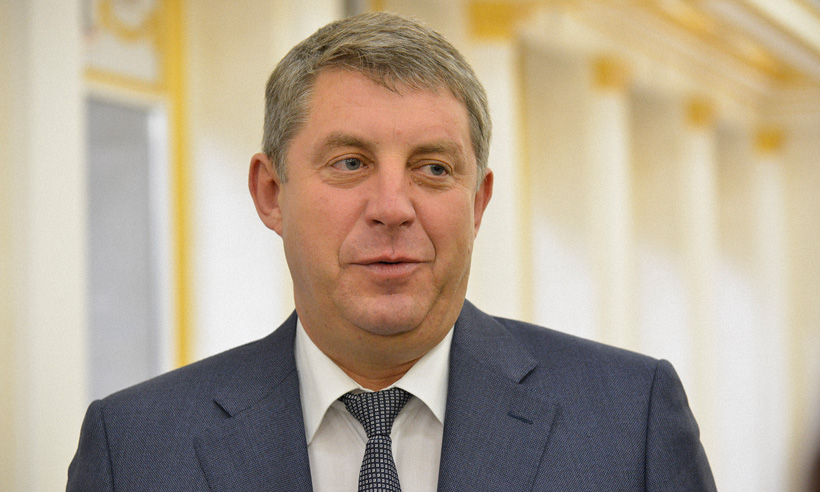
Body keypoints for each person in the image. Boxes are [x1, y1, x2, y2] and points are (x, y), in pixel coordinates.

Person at [67, 12, 716, 491]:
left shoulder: (628, 421)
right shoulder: (136, 450)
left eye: (433, 169)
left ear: (478, 203)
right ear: (271, 193)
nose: (392, 207)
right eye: (350, 162)